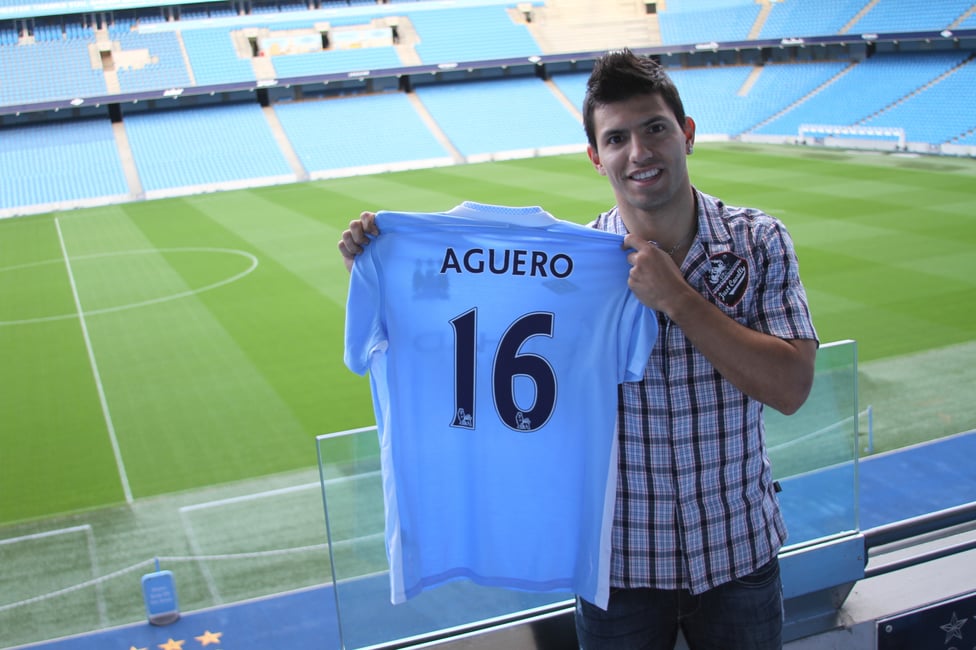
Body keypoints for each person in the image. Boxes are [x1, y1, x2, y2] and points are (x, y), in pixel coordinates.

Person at [338, 48, 818, 650]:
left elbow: (792, 388)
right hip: (616, 569)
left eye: (655, 129)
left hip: (738, 554)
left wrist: (679, 299)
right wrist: (387, 266)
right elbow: (472, 357)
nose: (639, 153)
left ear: (687, 134)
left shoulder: (759, 241)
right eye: (616, 139)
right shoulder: (567, 274)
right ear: (597, 157)